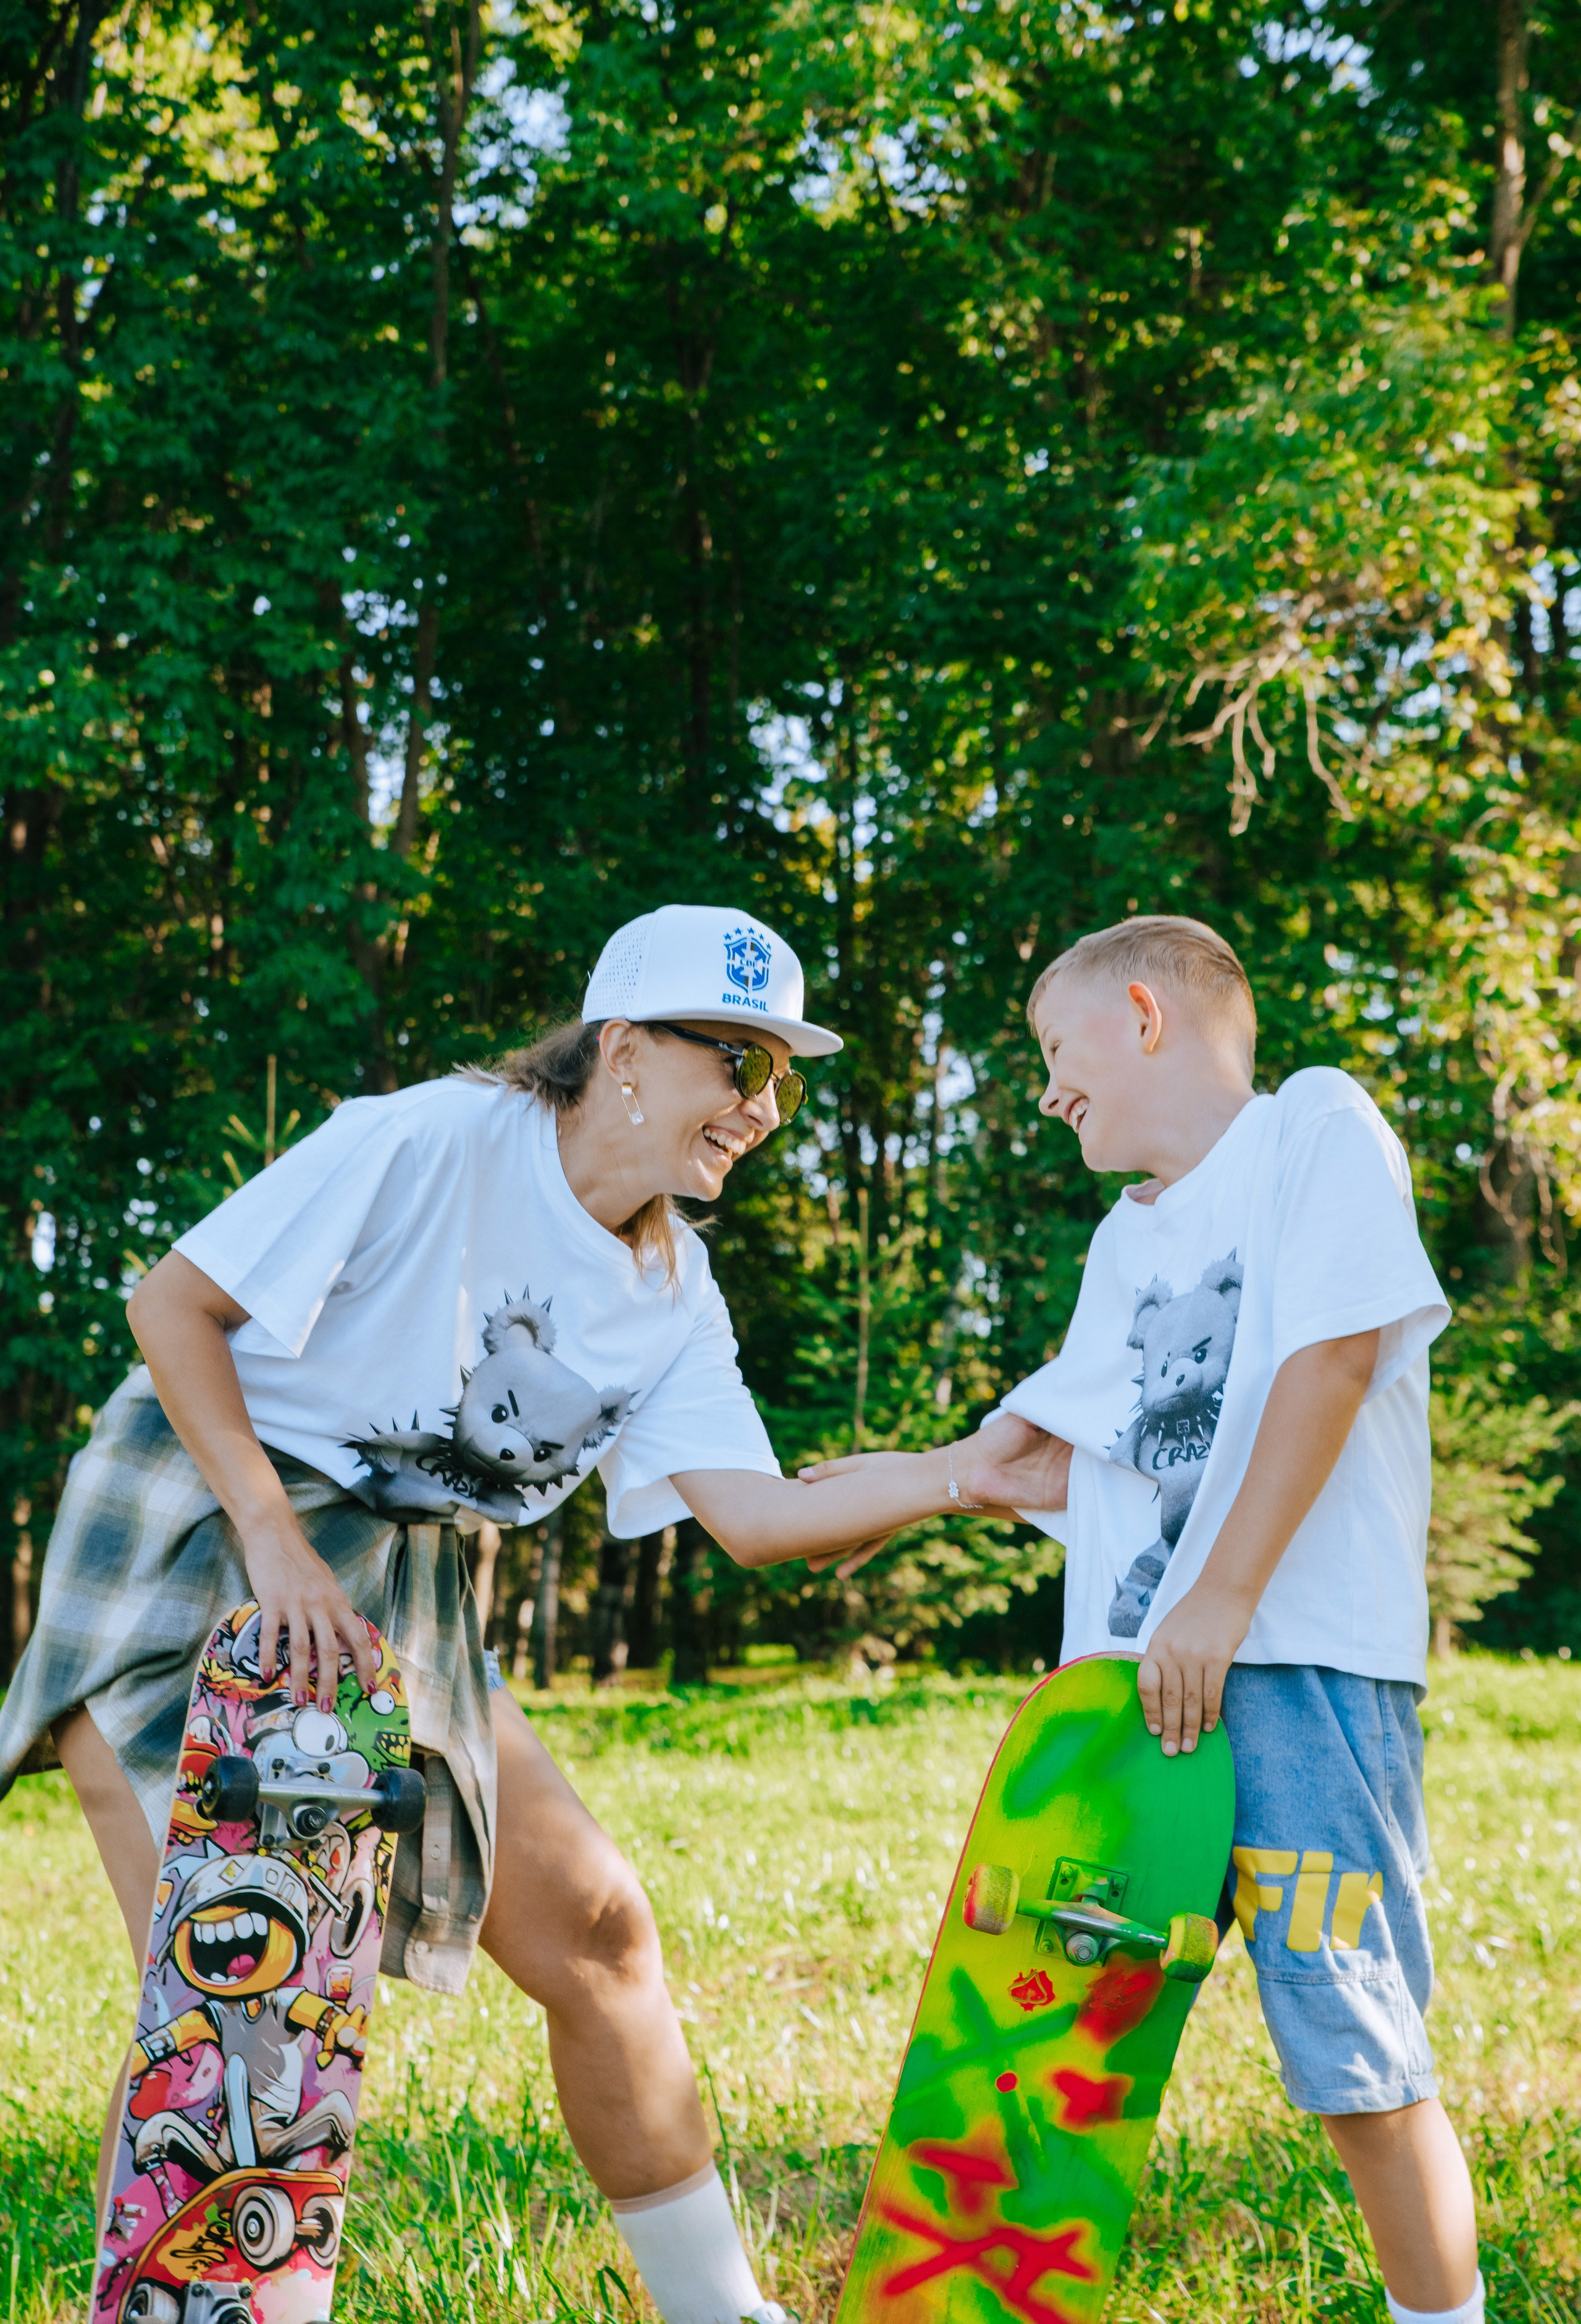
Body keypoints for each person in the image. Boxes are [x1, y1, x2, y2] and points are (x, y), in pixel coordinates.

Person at [0, 900, 1068, 2324]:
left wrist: (958, 1477)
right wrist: (270, 1536)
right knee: (242, 2024)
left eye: (780, 1079)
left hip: (396, 1576)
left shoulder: (672, 1289)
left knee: (601, 1929)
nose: (762, 1111)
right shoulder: (433, 1139)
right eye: (738, 1064)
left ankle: (719, 2312)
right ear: (622, 1048)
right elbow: (170, 1305)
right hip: (211, 1529)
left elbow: (749, 1515)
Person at [804, 913, 1481, 2324]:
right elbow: (1056, 1450)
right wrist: (907, 1483)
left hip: (1295, 1680)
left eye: (1057, 1050)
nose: (1049, 1090)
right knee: (1039, 2045)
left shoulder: (1314, 1132)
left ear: (1143, 1013)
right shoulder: (1128, 1239)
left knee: (1351, 2045)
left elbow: (1333, 1355)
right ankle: (971, 2297)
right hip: (1130, 1705)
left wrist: (1219, 1601)